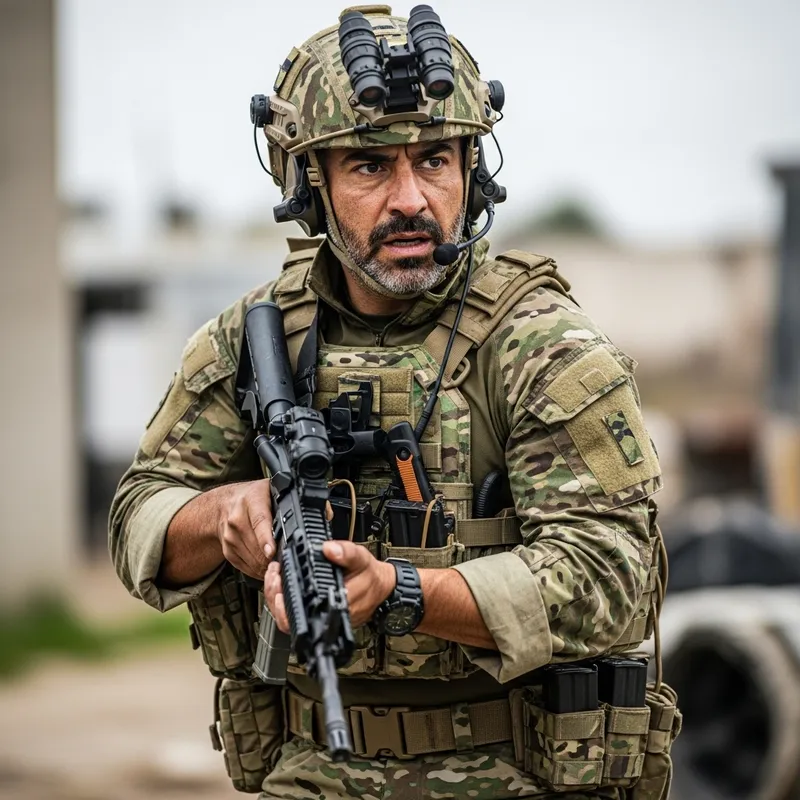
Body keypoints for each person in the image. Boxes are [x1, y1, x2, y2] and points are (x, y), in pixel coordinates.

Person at [110, 5, 679, 799]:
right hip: (310, 769)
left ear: (472, 172)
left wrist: (406, 593)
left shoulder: (541, 346)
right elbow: (137, 517)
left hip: (514, 771)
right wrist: (224, 516)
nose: (411, 198)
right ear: (311, 182)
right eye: (371, 167)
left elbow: (614, 576)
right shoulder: (256, 339)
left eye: (436, 160)